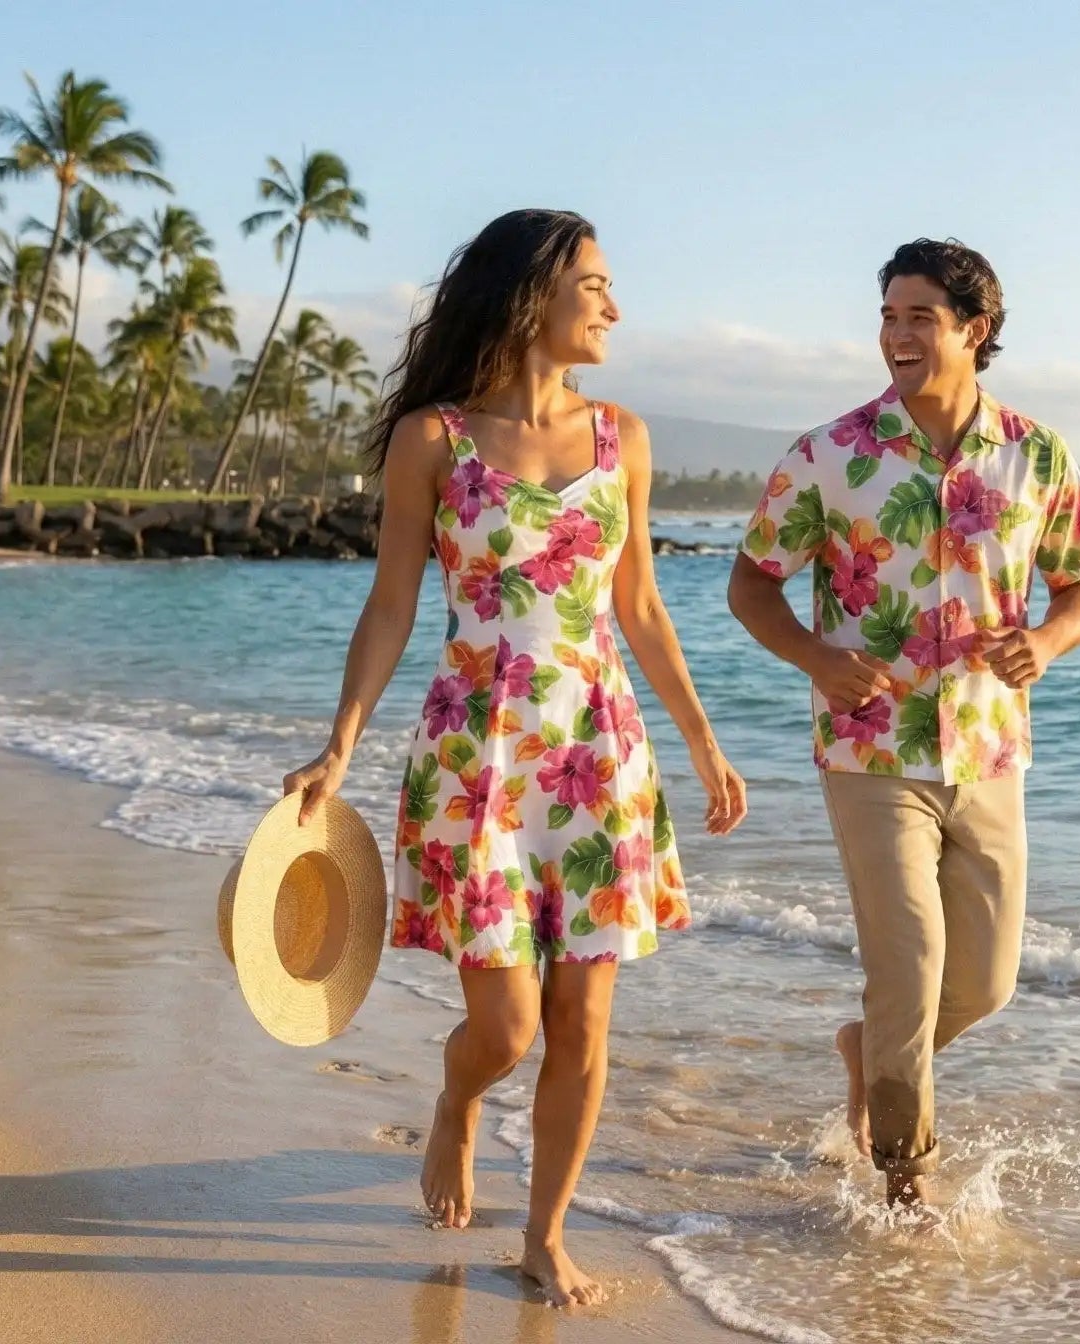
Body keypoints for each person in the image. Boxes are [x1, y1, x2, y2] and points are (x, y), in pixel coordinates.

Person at [281, 209, 747, 1305]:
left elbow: (637, 607)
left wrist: (702, 743)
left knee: (584, 1019)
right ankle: (456, 1101)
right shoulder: (433, 442)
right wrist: (338, 744)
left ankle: (543, 1235)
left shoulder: (622, 437)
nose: (614, 306)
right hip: (474, 755)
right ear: (531, 293)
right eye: (595, 284)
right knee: (506, 1025)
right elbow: (391, 603)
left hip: (598, 752)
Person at [728, 238, 1080, 1206]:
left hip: (989, 750)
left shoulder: (1037, 455)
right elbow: (749, 585)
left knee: (982, 984)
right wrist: (814, 657)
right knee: (909, 966)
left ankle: (869, 1055)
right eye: (888, 316)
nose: (896, 335)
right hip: (869, 751)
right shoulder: (829, 455)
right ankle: (905, 1196)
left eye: (918, 317)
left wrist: (1049, 643)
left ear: (972, 331)